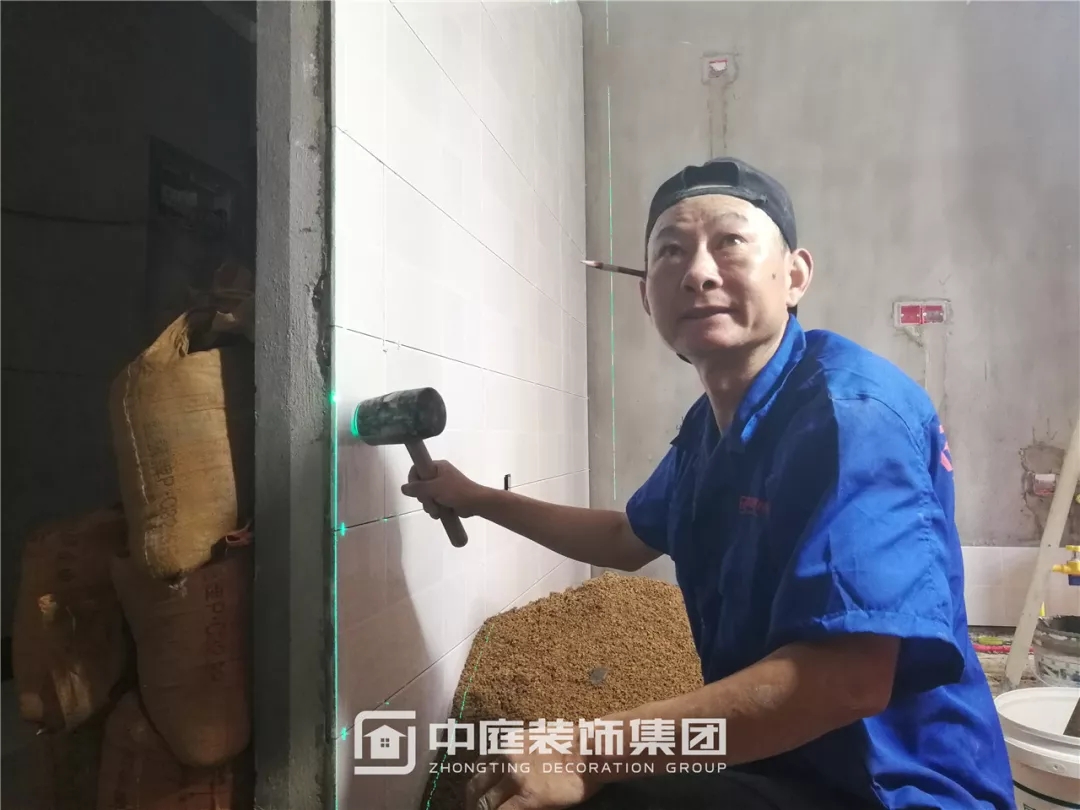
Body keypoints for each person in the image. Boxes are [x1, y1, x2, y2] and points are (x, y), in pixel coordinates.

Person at [400, 157, 1015, 810]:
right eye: (671, 250)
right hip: (784, 758)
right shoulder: (710, 427)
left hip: (894, 788)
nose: (697, 272)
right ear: (646, 295)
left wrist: (584, 750)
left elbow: (847, 680)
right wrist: (476, 498)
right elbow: (625, 537)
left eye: (730, 242)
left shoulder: (852, 415)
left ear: (795, 276)